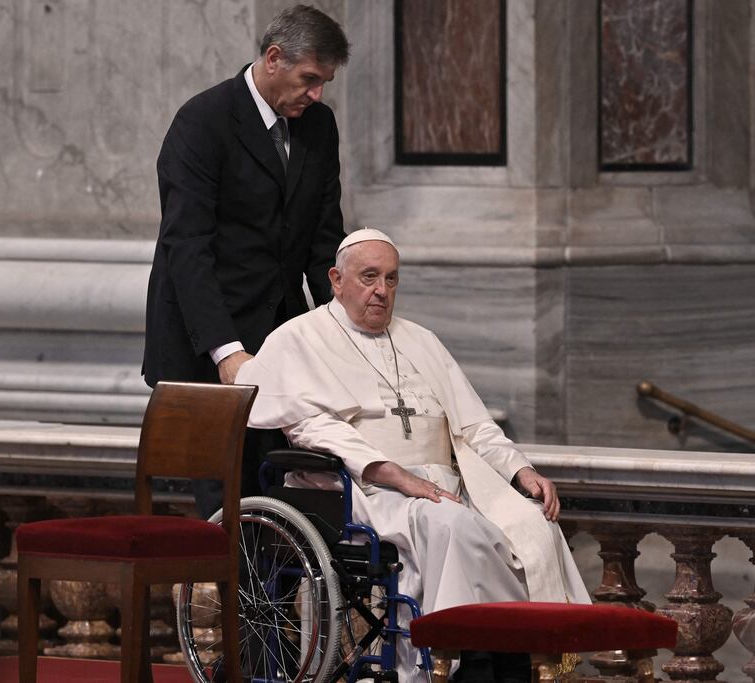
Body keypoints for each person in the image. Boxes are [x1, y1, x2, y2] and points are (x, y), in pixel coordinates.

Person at [236, 228, 591, 682]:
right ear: (336, 279)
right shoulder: (298, 338)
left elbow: (475, 424)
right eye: (369, 277)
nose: (381, 290)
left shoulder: (421, 340)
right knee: (452, 524)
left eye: (391, 279)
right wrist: (395, 475)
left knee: (530, 525)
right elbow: (310, 428)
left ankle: (510, 653)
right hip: (362, 489)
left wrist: (521, 470)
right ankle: (475, 663)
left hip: (445, 484)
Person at [142, 5, 349, 517]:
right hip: (206, 343)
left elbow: (324, 242)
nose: (317, 94)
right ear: (274, 58)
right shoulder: (203, 121)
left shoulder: (318, 127)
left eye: (324, 82)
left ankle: (271, 599)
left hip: (281, 338)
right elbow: (187, 247)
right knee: (227, 503)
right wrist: (227, 353)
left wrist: (349, 330)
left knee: (287, 494)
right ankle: (234, 599)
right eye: (309, 79)